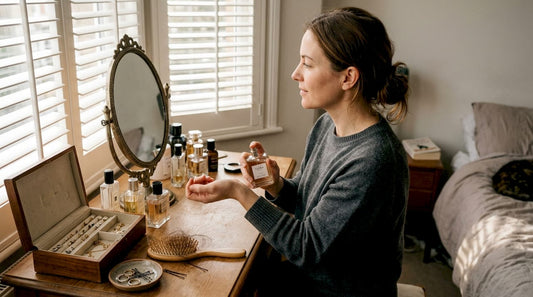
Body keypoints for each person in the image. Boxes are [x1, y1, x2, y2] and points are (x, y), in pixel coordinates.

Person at [186, 6, 409, 297]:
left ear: (348, 77)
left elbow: (306, 246)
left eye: (307, 64)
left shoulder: (373, 160)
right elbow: (313, 206)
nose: (295, 74)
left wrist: (238, 192)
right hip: (312, 278)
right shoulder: (326, 125)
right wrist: (275, 184)